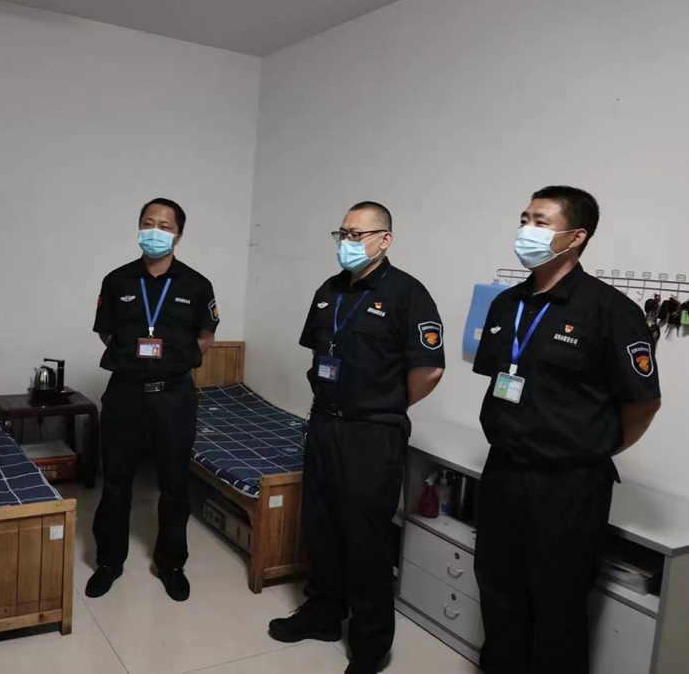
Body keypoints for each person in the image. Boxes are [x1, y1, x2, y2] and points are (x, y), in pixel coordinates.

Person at [472, 186, 662, 674]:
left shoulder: (609, 310)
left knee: (558, 605)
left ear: (576, 237)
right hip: (503, 472)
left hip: (569, 485)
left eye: (540, 221)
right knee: (498, 589)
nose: (526, 230)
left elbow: (644, 402)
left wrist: (592, 448)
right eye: (524, 219)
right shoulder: (506, 304)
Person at [268, 201, 446, 673]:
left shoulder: (408, 294)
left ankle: (370, 644)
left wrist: (383, 405)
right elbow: (319, 352)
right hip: (325, 423)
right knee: (321, 526)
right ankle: (323, 614)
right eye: (342, 233)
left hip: (373, 432)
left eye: (357, 234)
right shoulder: (328, 291)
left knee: (366, 538)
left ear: (384, 240)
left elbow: (429, 370)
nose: (346, 242)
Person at [87, 198, 219, 601]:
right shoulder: (117, 281)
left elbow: (205, 337)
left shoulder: (197, 285)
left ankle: (171, 563)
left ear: (178, 235)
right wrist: (137, 363)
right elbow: (107, 333)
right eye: (148, 223)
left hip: (174, 396)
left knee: (175, 484)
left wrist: (169, 365)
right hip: (125, 393)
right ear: (138, 228)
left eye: (165, 226)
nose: (155, 232)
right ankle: (109, 561)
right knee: (116, 482)